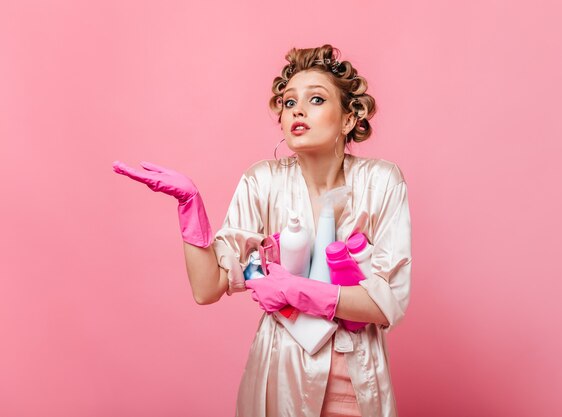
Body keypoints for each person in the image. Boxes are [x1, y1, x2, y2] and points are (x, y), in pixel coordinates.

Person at [112, 44, 411, 417]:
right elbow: (207, 289)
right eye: (289, 103)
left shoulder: (381, 182)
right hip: (280, 380)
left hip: (357, 379)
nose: (297, 110)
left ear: (349, 119)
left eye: (316, 99)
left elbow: (387, 305)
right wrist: (190, 206)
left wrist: (295, 290)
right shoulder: (263, 182)